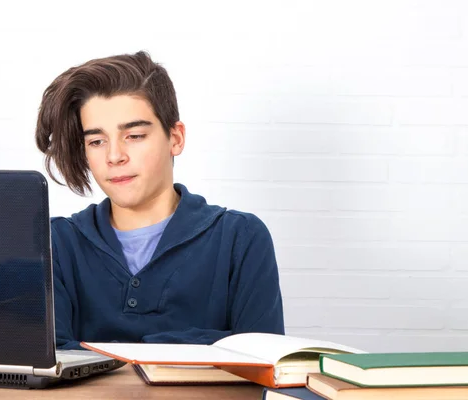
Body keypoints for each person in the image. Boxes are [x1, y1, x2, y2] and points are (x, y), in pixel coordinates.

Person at [34, 51, 284, 350]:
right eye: (97, 141)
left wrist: (98, 350)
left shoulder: (240, 238)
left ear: (175, 138)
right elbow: (50, 362)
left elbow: (263, 361)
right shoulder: (56, 244)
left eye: (135, 135)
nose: (114, 156)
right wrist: (214, 343)